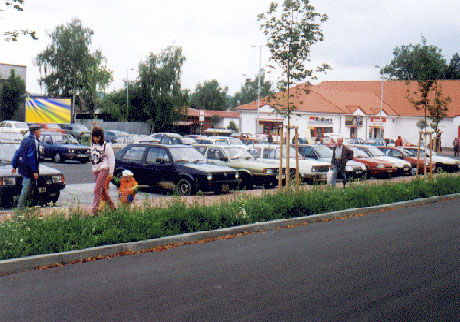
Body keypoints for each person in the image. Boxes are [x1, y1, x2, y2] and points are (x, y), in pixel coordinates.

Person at [12, 124, 43, 209]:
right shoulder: (34, 141)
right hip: (29, 170)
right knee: (26, 189)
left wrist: (14, 165)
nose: (40, 132)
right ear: (35, 131)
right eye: (39, 131)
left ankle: (31, 205)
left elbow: (18, 152)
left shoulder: (25, 140)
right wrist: (34, 171)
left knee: (31, 188)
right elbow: (31, 157)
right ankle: (20, 208)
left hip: (23, 168)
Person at [91, 127, 116, 214]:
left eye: (97, 137)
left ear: (101, 137)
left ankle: (94, 210)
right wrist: (93, 169)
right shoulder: (92, 146)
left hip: (104, 169)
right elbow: (93, 159)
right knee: (102, 190)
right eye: (94, 137)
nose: (95, 139)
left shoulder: (106, 146)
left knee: (97, 189)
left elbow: (111, 159)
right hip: (96, 169)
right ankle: (112, 207)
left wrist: (111, 172)